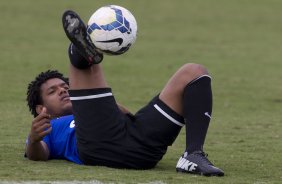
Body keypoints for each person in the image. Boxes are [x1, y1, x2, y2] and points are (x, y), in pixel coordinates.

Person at [25, 10, 224, 177]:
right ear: (41, 108)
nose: (62, 90)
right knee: (77, 54)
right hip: (98, 146)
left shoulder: (93, 111)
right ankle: (82, 50)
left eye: (65, 87)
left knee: (194, 72)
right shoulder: (48, 127)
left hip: (141, 148)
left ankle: (193, 154)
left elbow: (130, 118)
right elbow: (38, 154)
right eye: (52, 91)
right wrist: (34, 140)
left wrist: (115, 109)